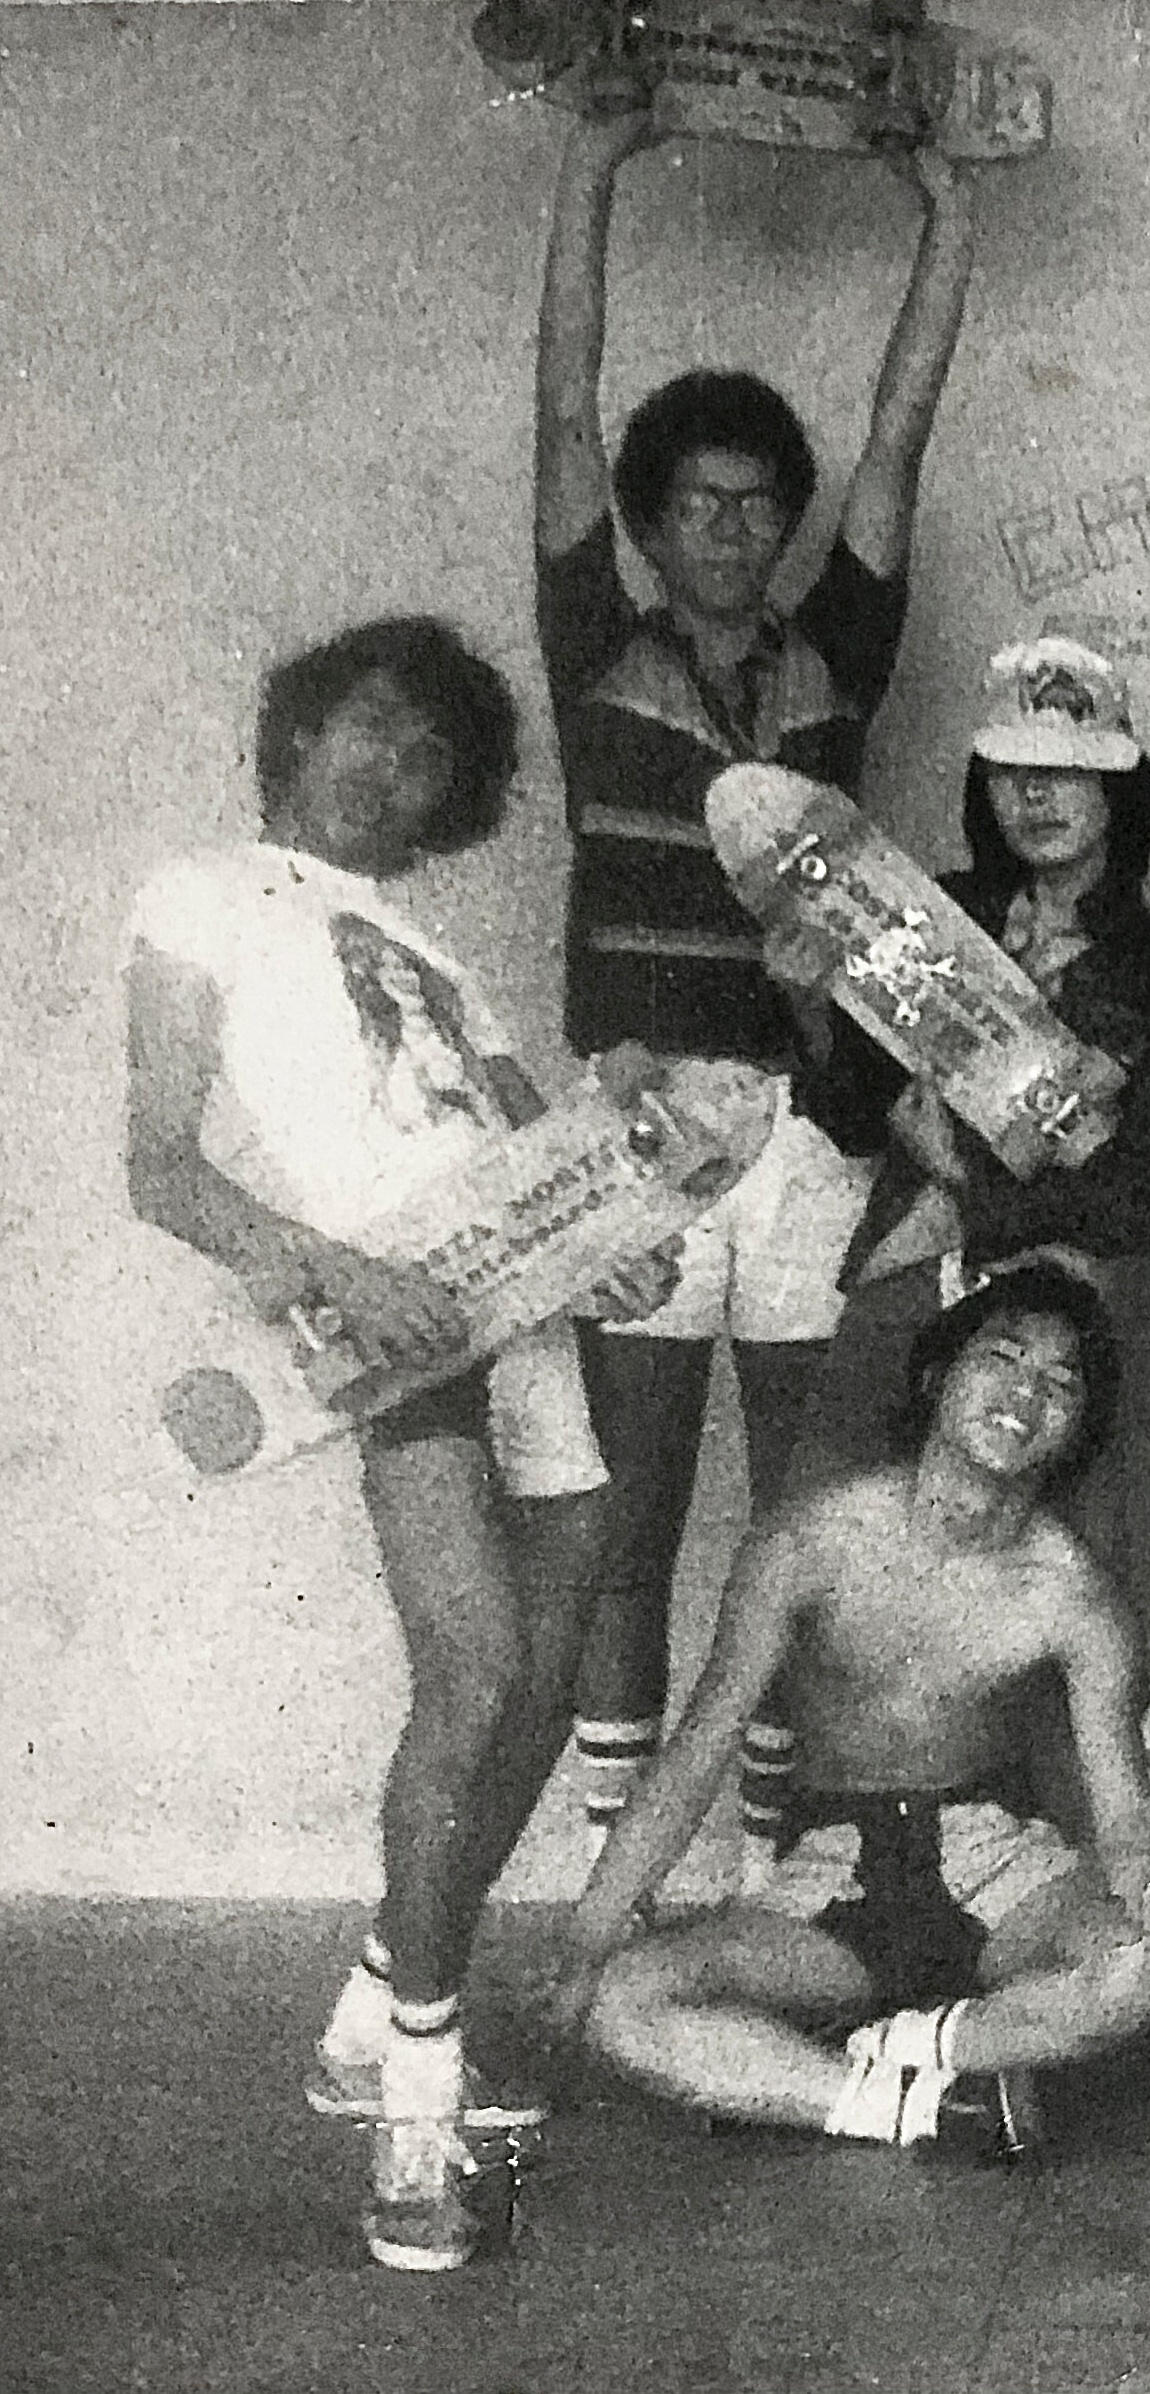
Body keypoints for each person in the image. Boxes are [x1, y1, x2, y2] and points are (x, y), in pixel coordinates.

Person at [123, 617, 673, 2271]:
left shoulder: (435, 946)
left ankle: (379, 1998)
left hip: (534, 1324)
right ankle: (418, 2102)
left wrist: (621, 1226)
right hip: (387, 1331)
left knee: (550, 1661)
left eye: (428, 753)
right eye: (367, 724)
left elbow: (540, 1146)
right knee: (477, 1666)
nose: (389, 766)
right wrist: (336, 1269)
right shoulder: (198, 890)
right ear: (296, 734)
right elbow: (159, 1164)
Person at [533, 87, 977, 1859]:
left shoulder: (838, 648)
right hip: (639, 1117)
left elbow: (904, 432)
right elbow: (559, 399)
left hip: (814, 1124)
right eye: (696, 505)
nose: (728, 528)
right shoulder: (591, 642)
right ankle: (613, 1855)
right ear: (645, 522)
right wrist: (591, 164)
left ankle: (780, 1849)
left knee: (808, 1499)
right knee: (632, 1509)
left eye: (755, 505)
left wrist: (945, 218)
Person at [548, 1265, 1150, 2146]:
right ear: (940, 1376)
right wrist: (588, 1939)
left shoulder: (1071, 1593)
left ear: (1076, 1429)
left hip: (997, 1863)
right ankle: (931, 2103)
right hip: (833, 1867)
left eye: (1060, 1384)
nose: (1025, 1393)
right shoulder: (811, 1540)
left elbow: (1123, 1814)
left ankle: (840, 2065)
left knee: (1132, 1977)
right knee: (621, 2000)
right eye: (1004, 1358)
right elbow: (698, 1753)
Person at [782, 636, 1150, 1854]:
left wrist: (972, 1202)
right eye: (1013, 769)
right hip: (907, 1276)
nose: (1036, 797)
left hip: (1072, 1300)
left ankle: (1090, 1873)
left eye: (1068, 773)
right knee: (835, 1527)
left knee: (1075, 1581)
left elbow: (1147, 1199)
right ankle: (819, 1851)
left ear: (1120, 792)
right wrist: (815, 1005)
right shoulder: (935, 914)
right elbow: (843, 1109)